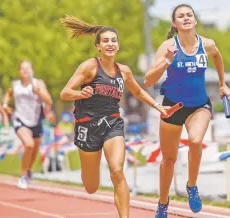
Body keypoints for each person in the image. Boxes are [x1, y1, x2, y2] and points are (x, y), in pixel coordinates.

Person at [59, 15, 181, 218]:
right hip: (87, 126)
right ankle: (89, 168)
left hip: (113, 124)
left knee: (117, 170)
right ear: (98, 46)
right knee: (91, 186)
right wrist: (81, 94)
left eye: (113, 40)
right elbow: (64, 93)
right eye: (105, 41)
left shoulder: (124, 71)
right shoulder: (89, 66)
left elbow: (138, 92)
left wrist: (157, 106)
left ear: (118, 45)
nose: (110, 44)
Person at [144, 4, 230, 217]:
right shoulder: (167, 47)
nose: (185, 18)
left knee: (194, 141)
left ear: (195, 20)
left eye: (189, 15)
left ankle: (192, 186)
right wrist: (167, 61)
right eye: (180, 16)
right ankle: (163, 202)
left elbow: (218, 57)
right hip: (172, 107)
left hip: (199, 105)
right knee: (168, 160)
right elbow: (148, 80)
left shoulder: (207, 44)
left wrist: (222, 83)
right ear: (174, 23)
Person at [3, 61, 53, 189]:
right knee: (29, 144)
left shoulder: (38, 83)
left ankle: (29, 170)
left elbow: (49, 101)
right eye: (22, 68)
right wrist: (5, 105)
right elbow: (8, 94)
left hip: (36, 121)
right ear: (19, 72)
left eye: (28, 68)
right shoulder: (16, 85)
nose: (25, 70)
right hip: (20, 120)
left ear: (32, 70)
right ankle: (23, 175)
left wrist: (39, 92)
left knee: (35, 149)